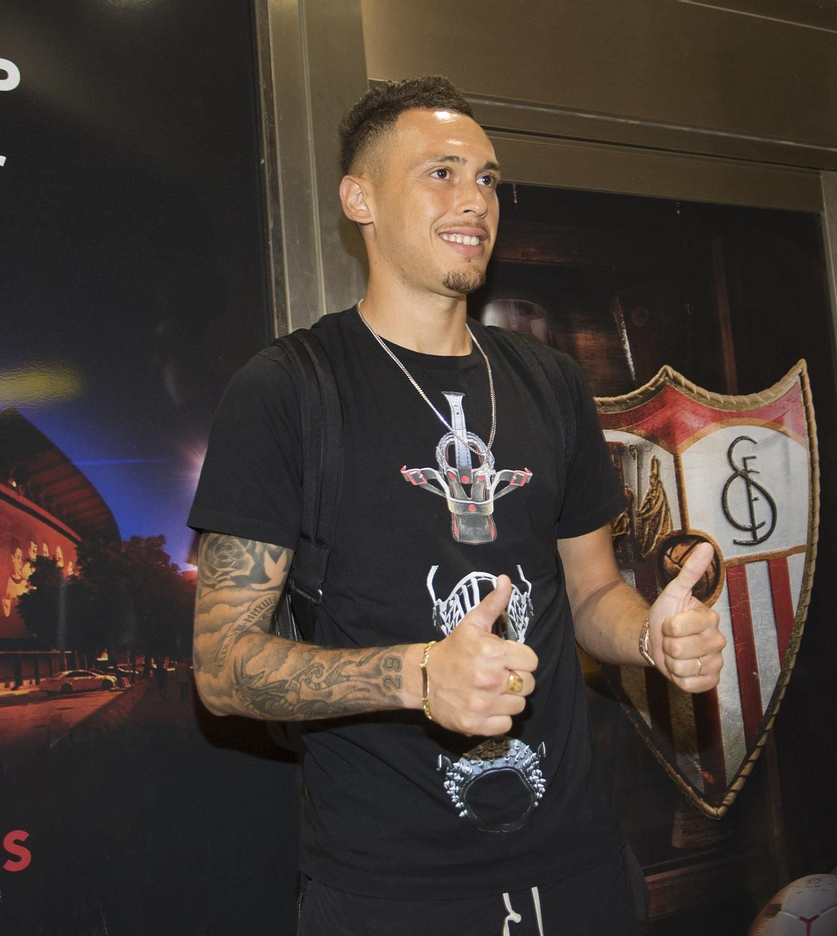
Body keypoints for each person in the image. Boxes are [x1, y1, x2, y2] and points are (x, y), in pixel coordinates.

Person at [186, 77, 726, 935]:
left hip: (580, 864)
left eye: (486, 178)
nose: (474, 199)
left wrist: (646, 636)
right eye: (440, 172)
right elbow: (221, 670)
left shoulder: (549, 383)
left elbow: (589, 595)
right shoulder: (289, 391)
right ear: (358, 199)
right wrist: (418, 675)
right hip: (394, 888)